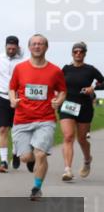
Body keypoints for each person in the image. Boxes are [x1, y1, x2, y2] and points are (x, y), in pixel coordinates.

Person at [9, 34, 67, 201]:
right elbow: (12, 88)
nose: (37, 46)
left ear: (46, 47)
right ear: (29, 47)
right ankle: (24, 155)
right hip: (22, 118)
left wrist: (59, 100)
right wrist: (13, 99)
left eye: (40, 44)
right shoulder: (20, 68)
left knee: (40, 154)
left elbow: (62, 91)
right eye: (34, 44)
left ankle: (36, 188)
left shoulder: (55, 71)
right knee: (26, 157)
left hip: (45, 119)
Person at [59, 41, 104, 181]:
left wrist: (93, 88)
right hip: (67, 106)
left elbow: (103, 82)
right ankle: (67, 170)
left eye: (81, 51)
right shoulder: (66, 69)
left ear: (85, 54)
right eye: (75, 51)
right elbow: (58, 84)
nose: (78, 54)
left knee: (82, 139)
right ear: (72, 53)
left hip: (84, 107)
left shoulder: (90, 69)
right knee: (68, 136)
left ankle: (87, 159)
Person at [0, 35, 23, 172]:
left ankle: (15, 153)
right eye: (9, 48)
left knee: (17, 130)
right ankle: (3, 162)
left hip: (18, 99)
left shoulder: (23, 61)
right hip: (1, 96)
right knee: (3, 128)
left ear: (18, 48)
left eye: (14, 48)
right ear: (5, 46)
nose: (11, 51)